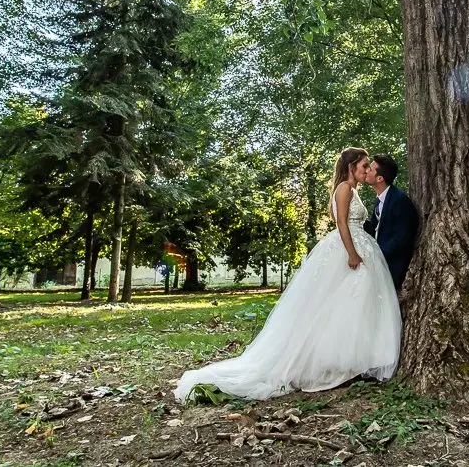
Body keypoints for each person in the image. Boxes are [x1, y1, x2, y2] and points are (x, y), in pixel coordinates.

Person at [173, 147, 401, 402]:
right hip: (347, 248)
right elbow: (341, 224)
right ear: (351, 167)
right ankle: (334, 362)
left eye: (369, 166)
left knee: (349, 306)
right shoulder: (344, 189)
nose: (367, 169)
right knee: (341, 305)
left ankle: (350, 360)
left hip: (359, 244)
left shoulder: (353, 189)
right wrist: (351, 253)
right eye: (363, 165)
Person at [364, 155, 420, 291]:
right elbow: (376, 229)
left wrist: (376, 256)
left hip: (392, 269)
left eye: (370, 169)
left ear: (380, 178)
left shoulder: (399, 201)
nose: (366, 171)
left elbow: (401, 239)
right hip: (379, 264)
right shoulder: (381, 200)